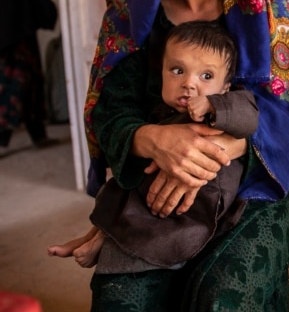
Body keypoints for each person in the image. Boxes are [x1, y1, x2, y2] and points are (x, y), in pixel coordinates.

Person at [52, 0, 289, 310]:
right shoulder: (133, 11)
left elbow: (284, 113)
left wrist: (211, 152)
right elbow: (110, 108)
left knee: (222, 297)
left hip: (251, 188)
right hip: (152, 184)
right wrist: (153, 140)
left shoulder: (264, 3)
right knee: (121, 298)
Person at [48, 20, 259, 270]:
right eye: (177, 70)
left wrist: (215, 105)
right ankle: (99, 235)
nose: (189, 84)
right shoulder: (161, 111)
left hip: (202, 198)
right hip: (154, 184)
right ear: (161, 73)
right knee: (116, 189)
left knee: (156, 230)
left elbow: (249, 118)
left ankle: (109, 240)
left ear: (225, 86)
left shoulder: (231, 102)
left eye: (206, 76)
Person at [0, 0, 59, 156]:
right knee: (18, 85)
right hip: (19, 32)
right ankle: (12, 136)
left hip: (19, 33)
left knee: (25, 84)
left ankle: (37, 134)